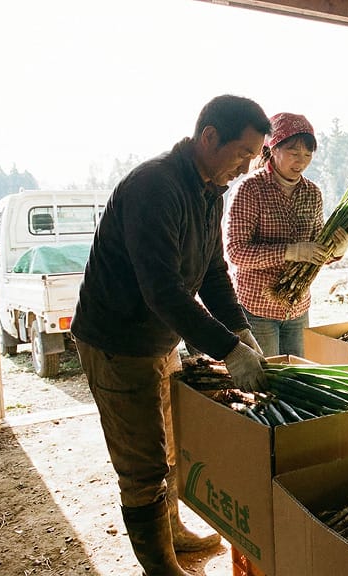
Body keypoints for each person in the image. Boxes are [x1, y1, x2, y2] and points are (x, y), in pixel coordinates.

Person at [71, 95, 272, 576]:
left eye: (253, 157)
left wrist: (241, 329)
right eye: (242, 153)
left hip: (160, 341)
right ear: (209, 138)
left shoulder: (209, 189)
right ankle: (160, 568)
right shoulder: (155, 187)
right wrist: (226, 349)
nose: (246, 168)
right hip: (118, 342)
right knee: (143, 465)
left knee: (169, 448)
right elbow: (162, 289)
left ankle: (173, 531)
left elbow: (212, 273)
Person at [225, 112, 348, 357]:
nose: (301, 162)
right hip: (257, 308)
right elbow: (236, 252)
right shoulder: (250, 189)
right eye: (294, 153)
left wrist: (337, 250)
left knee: (297, 378)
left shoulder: (312, 193)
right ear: (273, 149)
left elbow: (316, 252)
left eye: (308, 155)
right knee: (268, 382)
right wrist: (291, 252)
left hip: (297, 308)